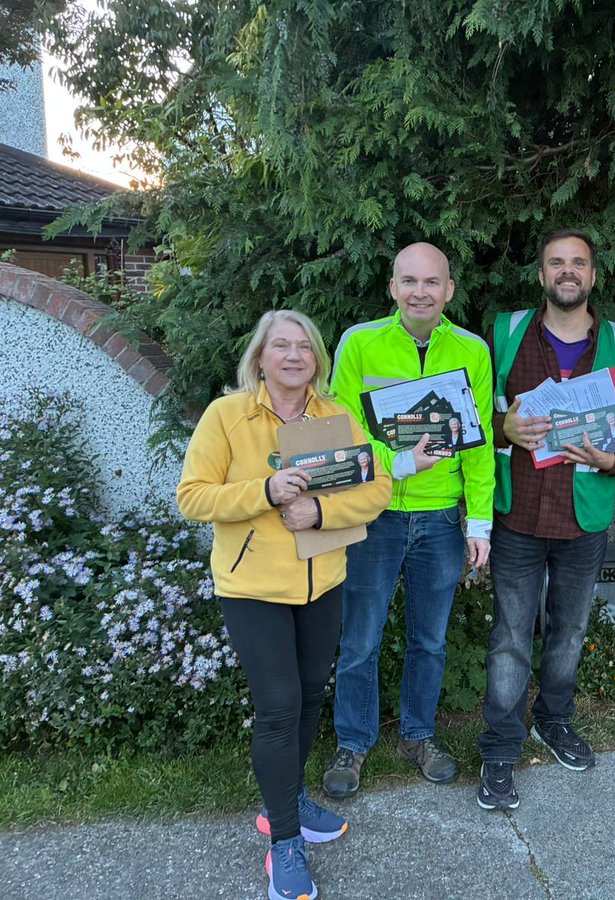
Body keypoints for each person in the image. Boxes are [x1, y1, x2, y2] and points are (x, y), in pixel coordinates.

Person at [177, 310, 392, 900]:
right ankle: (285, 844)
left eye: (304, 346)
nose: (294, 355)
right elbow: (192, 498)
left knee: (308, 701)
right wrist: (264, 492)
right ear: (260, 356)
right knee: (278, 707)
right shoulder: (227, 416)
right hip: (253, 587)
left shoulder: (336, 416)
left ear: (317, 360)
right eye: (281, 346)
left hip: (322, 583)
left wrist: (322, 512)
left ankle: (285, 802)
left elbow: (378, 489)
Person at [477, 228, 615, 810]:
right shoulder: (506, 332)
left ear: (593, 275)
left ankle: (553, 720)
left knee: (570, 631)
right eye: (557, 263)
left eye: (578, 262)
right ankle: (500, 747)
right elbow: (476, 416)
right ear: (542, 274)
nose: (567, 272)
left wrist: (614, 459)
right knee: (509, 638)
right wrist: (505, 429)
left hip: (584, 518)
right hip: (518, 513)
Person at [322, 242, 494, 797]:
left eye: (432, 282)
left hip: (441, 519)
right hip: (374, 517)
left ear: (449, 290)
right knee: (360, 640)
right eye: (409, 281)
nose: (421, 292)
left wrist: (479, 523)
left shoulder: (472, 349)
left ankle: (419, 735)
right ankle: (353, 743)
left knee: (431, 640)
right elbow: (342, 434)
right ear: (392, 288)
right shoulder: (360, 343)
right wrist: (399, 463)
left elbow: (481, 444)